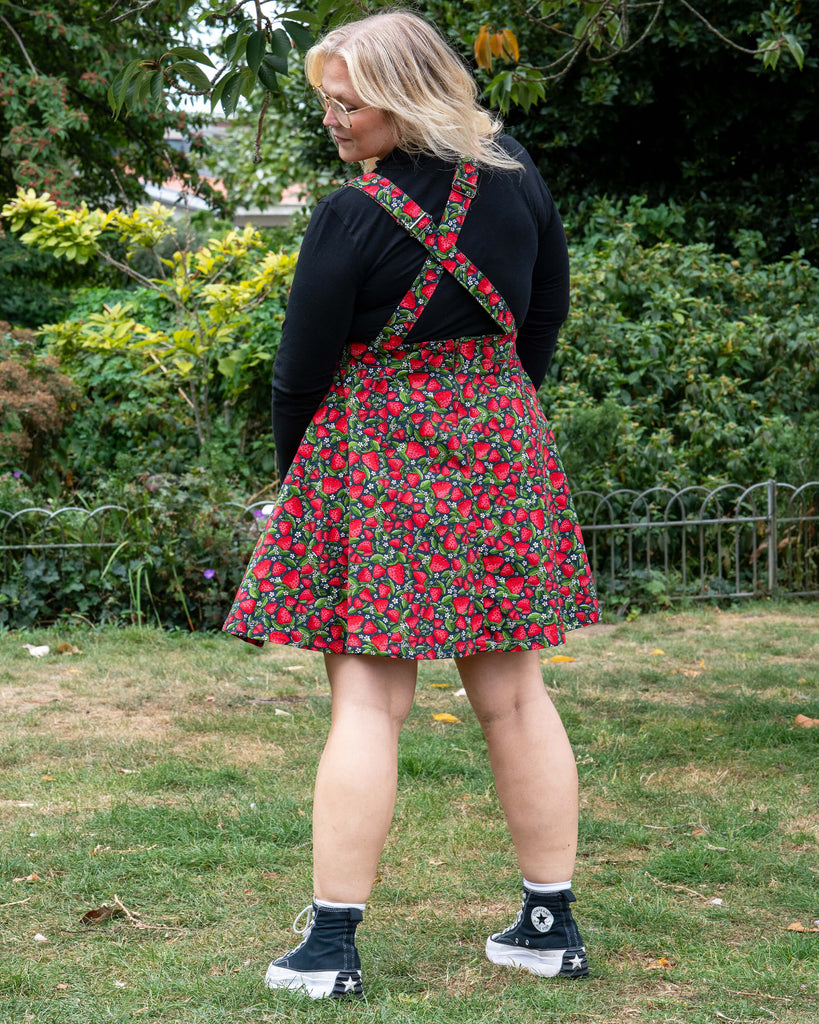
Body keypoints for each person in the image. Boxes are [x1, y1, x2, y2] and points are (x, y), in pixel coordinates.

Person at [223, 8, 599, 999]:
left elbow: (298, 376)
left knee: (369, 699)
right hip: (500, 444)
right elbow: (546, 310)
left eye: (348, 104)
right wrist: (493, 408)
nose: (334, 121)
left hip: (380, 455)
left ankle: (329, 950)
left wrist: (301, 488)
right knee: (517, 693)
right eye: (328, 103)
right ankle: (549, 928)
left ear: (403, 95)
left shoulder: (352, 216)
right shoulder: (516, 174)